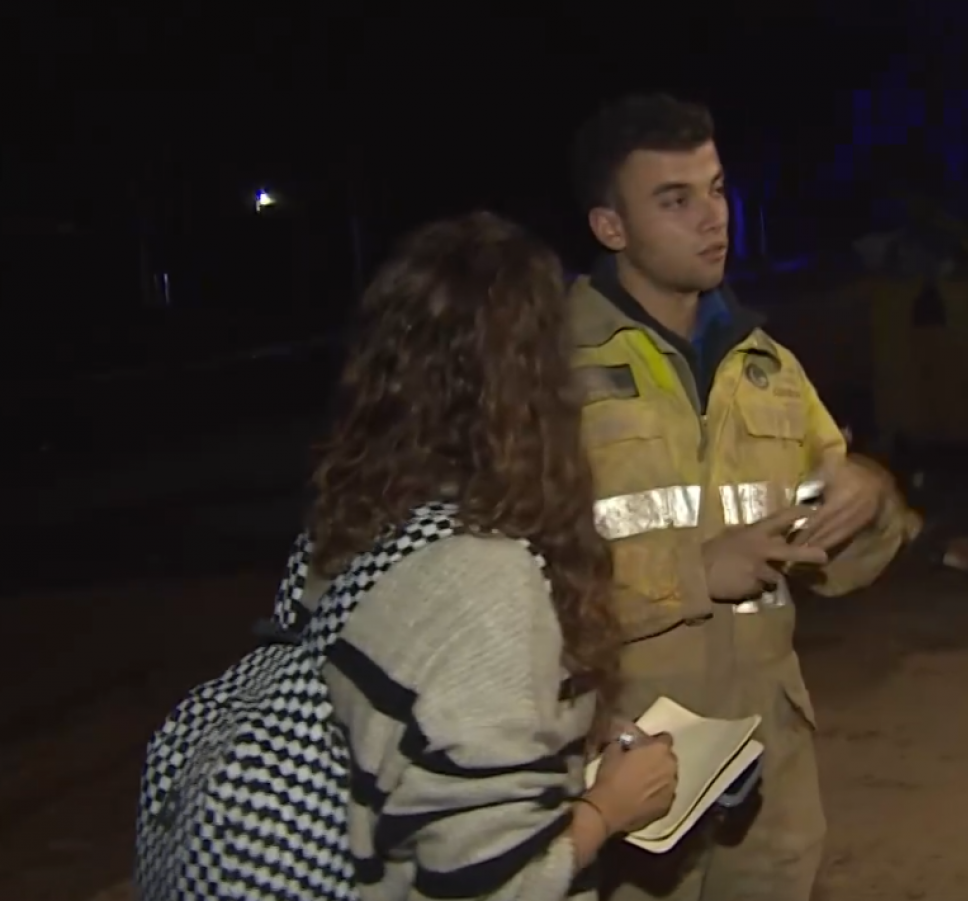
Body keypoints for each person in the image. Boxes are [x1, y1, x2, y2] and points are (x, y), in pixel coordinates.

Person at [565, 94, 919, 901]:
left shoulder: (767, 367)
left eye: (717, 189)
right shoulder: (543, 371)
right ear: (610, 227)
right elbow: (504, 591)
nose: (712, 218)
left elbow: (844, 563)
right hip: (620, 778)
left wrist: (872, 494)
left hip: (766, 786)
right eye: (675, 199)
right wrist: (692, 573)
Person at [304, 213, 680, 900]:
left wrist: (560, 731)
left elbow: (426, 742)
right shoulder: (486, 580)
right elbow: (490, 883)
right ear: (531, 383)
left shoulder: (352, 530)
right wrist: (607, 809)